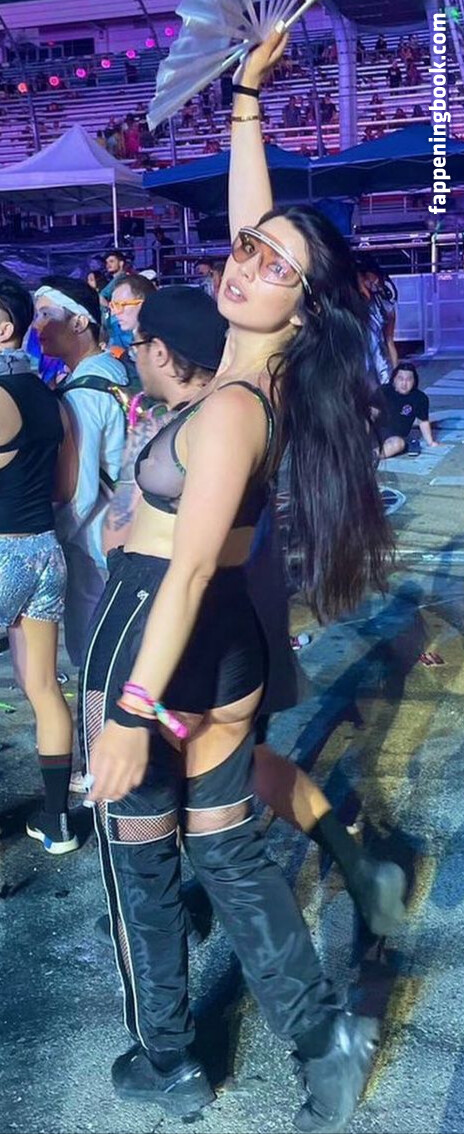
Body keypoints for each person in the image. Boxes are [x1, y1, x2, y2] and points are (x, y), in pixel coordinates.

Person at [80, 27, 394, 1132]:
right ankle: (322, 1037)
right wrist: (247, 100)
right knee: (231, 854)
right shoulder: (263, 382)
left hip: (155, 640)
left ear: (300, 310)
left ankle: (167, 1059)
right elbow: (262, 238)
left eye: (270, 268)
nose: (243, 264)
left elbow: (178, 577)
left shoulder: (225, 410)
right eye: (246, 251)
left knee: (141, 861)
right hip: (224, 655)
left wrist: (129, 714)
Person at [0, 279, 77, 855]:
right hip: (44, 550)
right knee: (45, 688)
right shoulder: (53, 398)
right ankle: (57, 823)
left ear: (4, 327)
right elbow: (64, 488)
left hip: (3, 552)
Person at [33, 277, 129, 667]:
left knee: (95, 660)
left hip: (93, 547)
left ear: (79, 322)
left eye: (46, 314)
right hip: (127, 534)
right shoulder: (115, 371)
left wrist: (48, 541)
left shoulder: (83, 394)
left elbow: (81, 494)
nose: (37, 325)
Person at [373, 363, 441, 458]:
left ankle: (370, 457)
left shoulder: (420, 398)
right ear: (394, 379)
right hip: (375, 432)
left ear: (414, 381)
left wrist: (431, 442)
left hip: (394, 437)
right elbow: (371, 412)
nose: (404, 383)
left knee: (398, 444)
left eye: (408, 379)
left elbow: (423, 422)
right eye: (400, 379)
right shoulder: (384, 391)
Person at [357, 255, 398, 386]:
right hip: (360, 360)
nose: (372, 283)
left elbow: (389, 340)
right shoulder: (353, 300)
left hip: (378, 361)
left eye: (373, 279)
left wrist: (397, 371)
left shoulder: (385, 303)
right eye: (367, 280)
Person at [108, 272, 156, 380]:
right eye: (113, 306)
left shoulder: (162, 345)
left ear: (144, 303)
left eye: (121, 305)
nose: (115, 313)